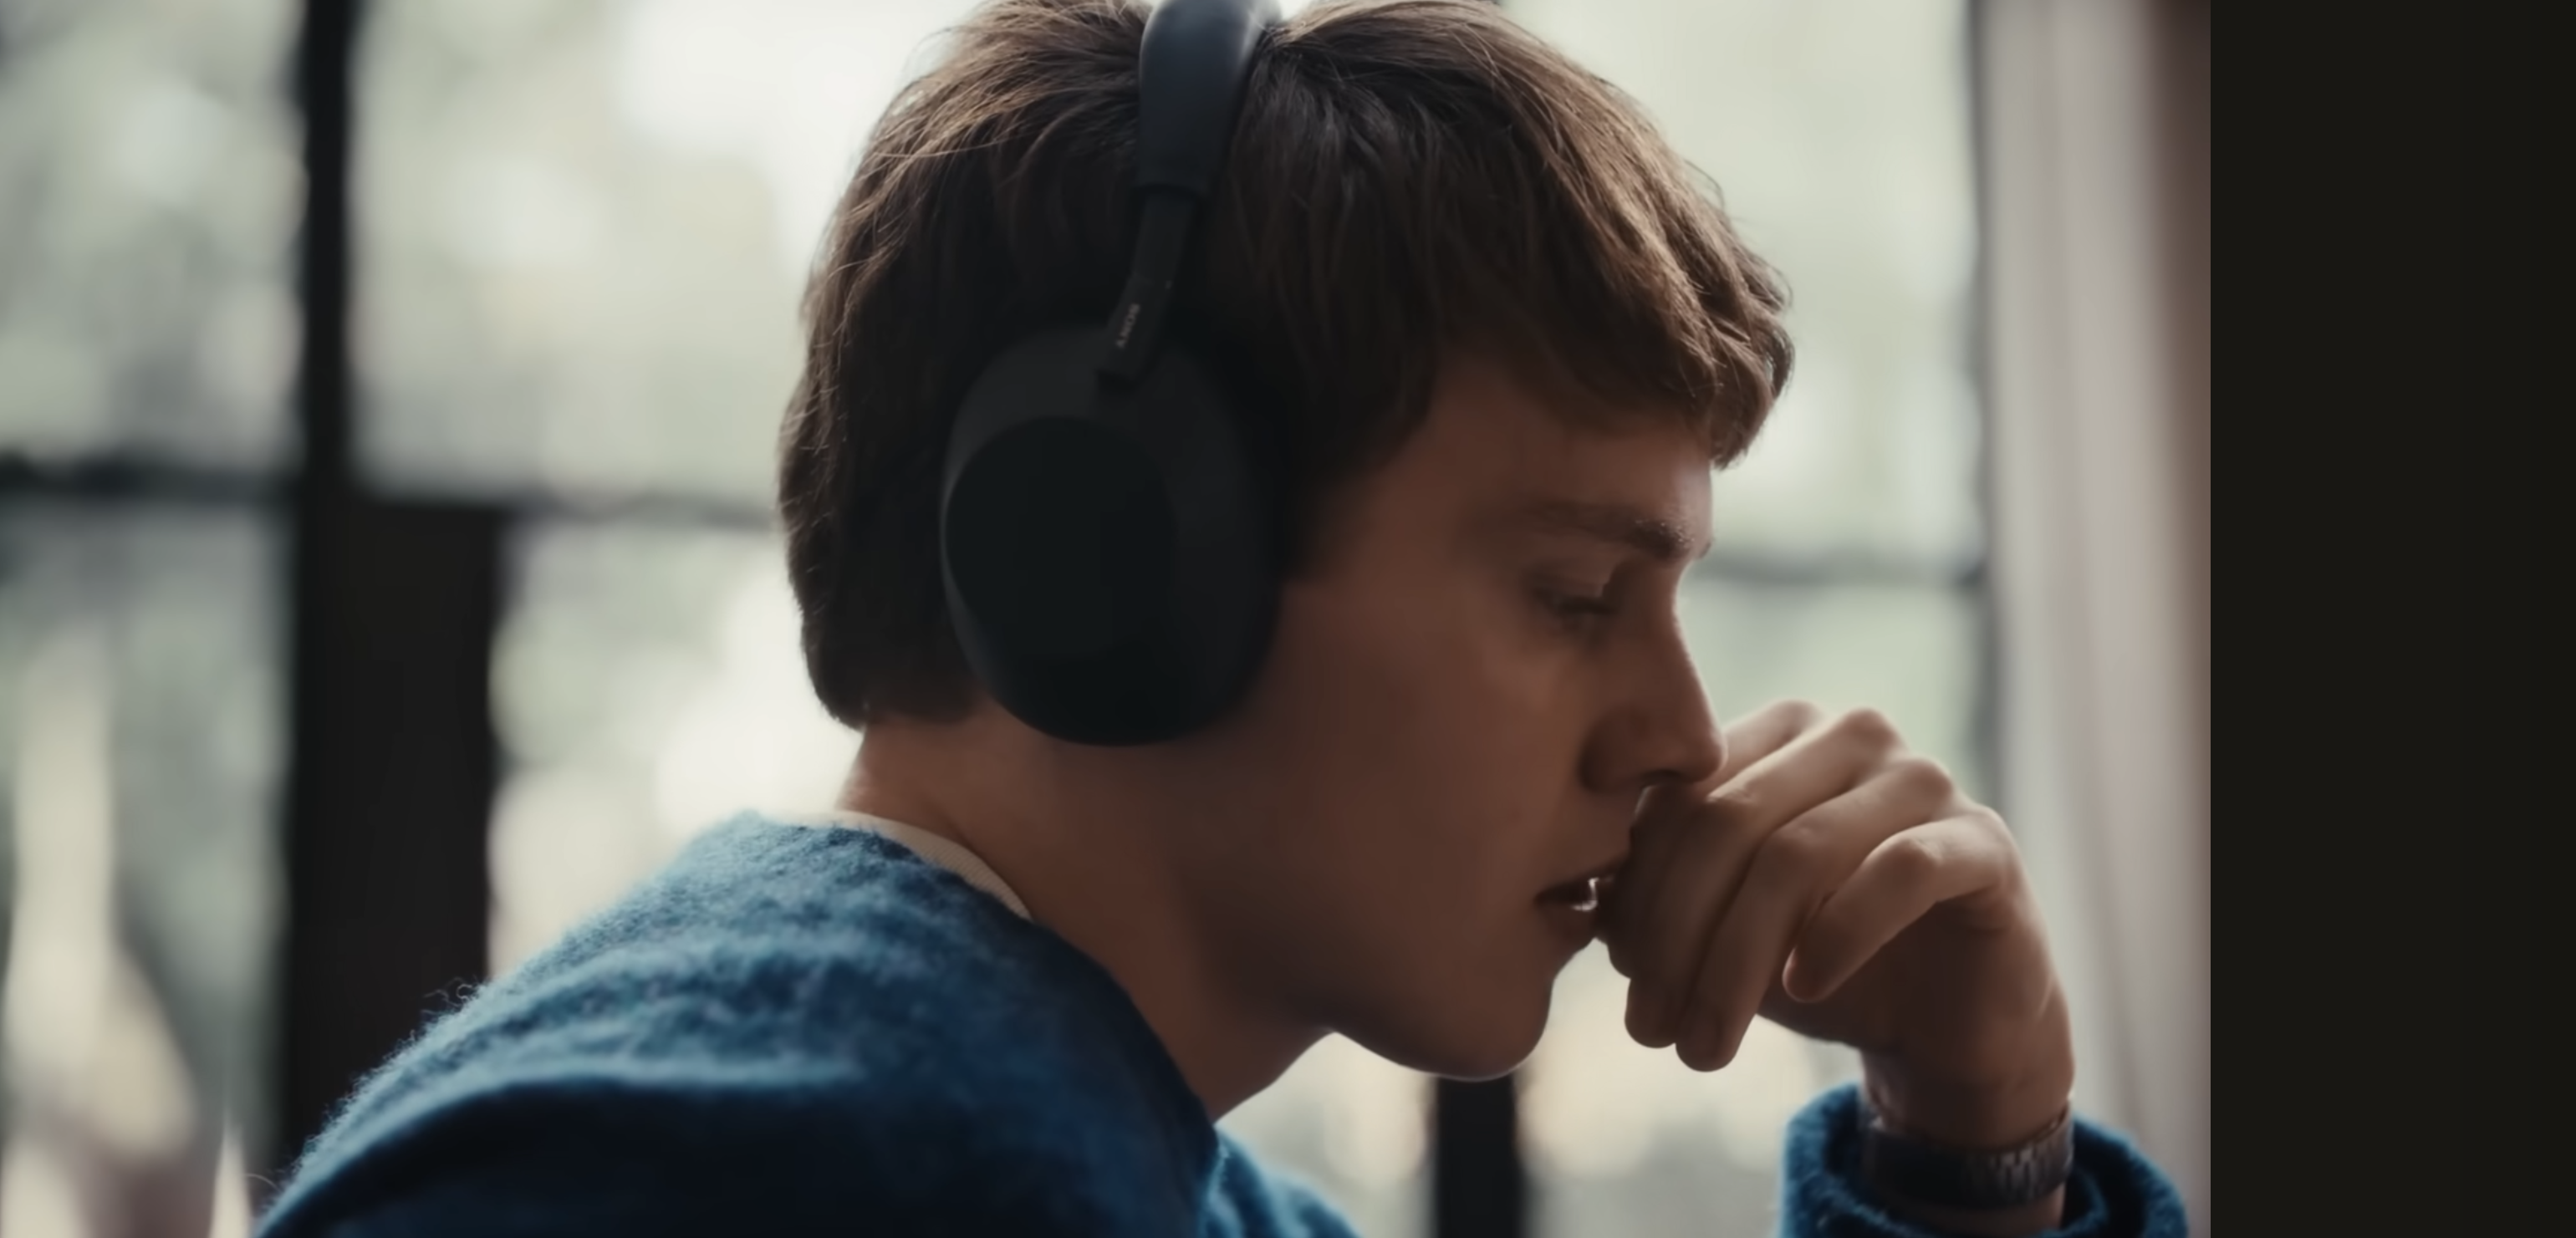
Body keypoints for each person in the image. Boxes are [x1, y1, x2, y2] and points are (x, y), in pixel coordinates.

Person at [256, 1, 2186, 1235]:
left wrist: (1973, 1137)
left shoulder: (1104, 1147)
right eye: (1576, 592)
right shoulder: (798, 1163)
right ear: (1122, 551)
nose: (1678, 733)